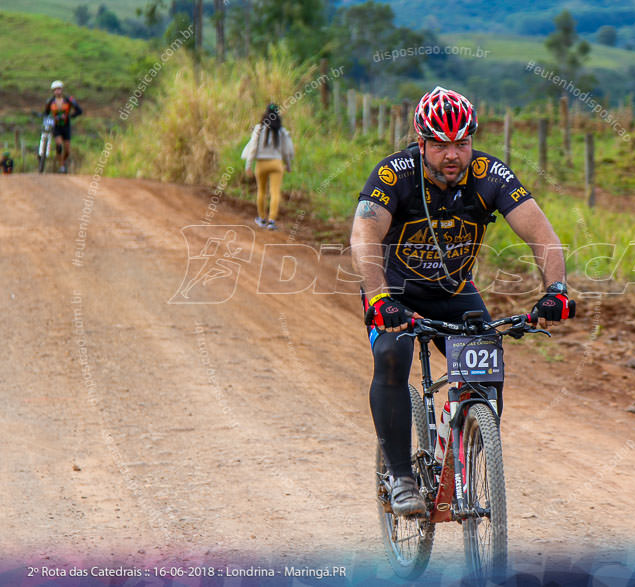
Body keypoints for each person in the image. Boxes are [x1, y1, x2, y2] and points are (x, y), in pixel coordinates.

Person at [349, 86, 575, 516]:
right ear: (421, 143)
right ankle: (400, 477)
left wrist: (556, 290)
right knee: (392, 356)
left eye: (461, 143)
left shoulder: (491, 174)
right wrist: (379, 296)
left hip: (453, 289)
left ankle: (472, 449)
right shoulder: (393, 175)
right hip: (394, 290)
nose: (452, 154)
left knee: (484, 367)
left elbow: (541, 235)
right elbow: (364, 236)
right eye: (439, 144)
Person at [243, 103, 294, 230]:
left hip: (261, 164)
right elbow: (286, 151)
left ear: (265, 114)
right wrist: (288, 165)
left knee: (261, 191)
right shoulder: (281, 131)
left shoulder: (259, 128)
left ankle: (261, 218)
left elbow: (253, 147)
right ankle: (272, 221)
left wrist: (248, 165)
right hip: (277, 164)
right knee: (275, 192)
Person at [44, 80, 82, 173]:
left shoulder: (68, 100)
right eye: (55, 90)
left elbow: (79, 110)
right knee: (59, 146)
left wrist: (71, 116)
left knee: (67, 150)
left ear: (62, 90)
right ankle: (61, 165)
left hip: (66, 126)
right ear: (53, 91)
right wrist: (47, 121)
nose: (57, 91)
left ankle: (63, 161)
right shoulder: (50, 102)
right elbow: (46, 114)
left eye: (59, 89)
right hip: (56, 127)